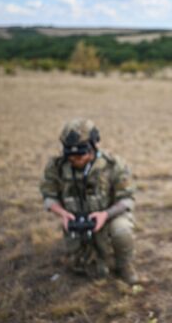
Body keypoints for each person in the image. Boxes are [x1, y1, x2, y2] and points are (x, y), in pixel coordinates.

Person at [40, 118, 138, 285]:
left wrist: (105, 215)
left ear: (94, 146)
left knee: (121, 231)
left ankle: (124, 265)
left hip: (108, 216)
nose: (76, 159)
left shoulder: (114, 165)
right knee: (88, 270)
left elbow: (127, 200)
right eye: (70, 154)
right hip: (75, 219)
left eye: (81, 153)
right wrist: (62, 213)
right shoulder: (56, 167)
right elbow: (49, 197)